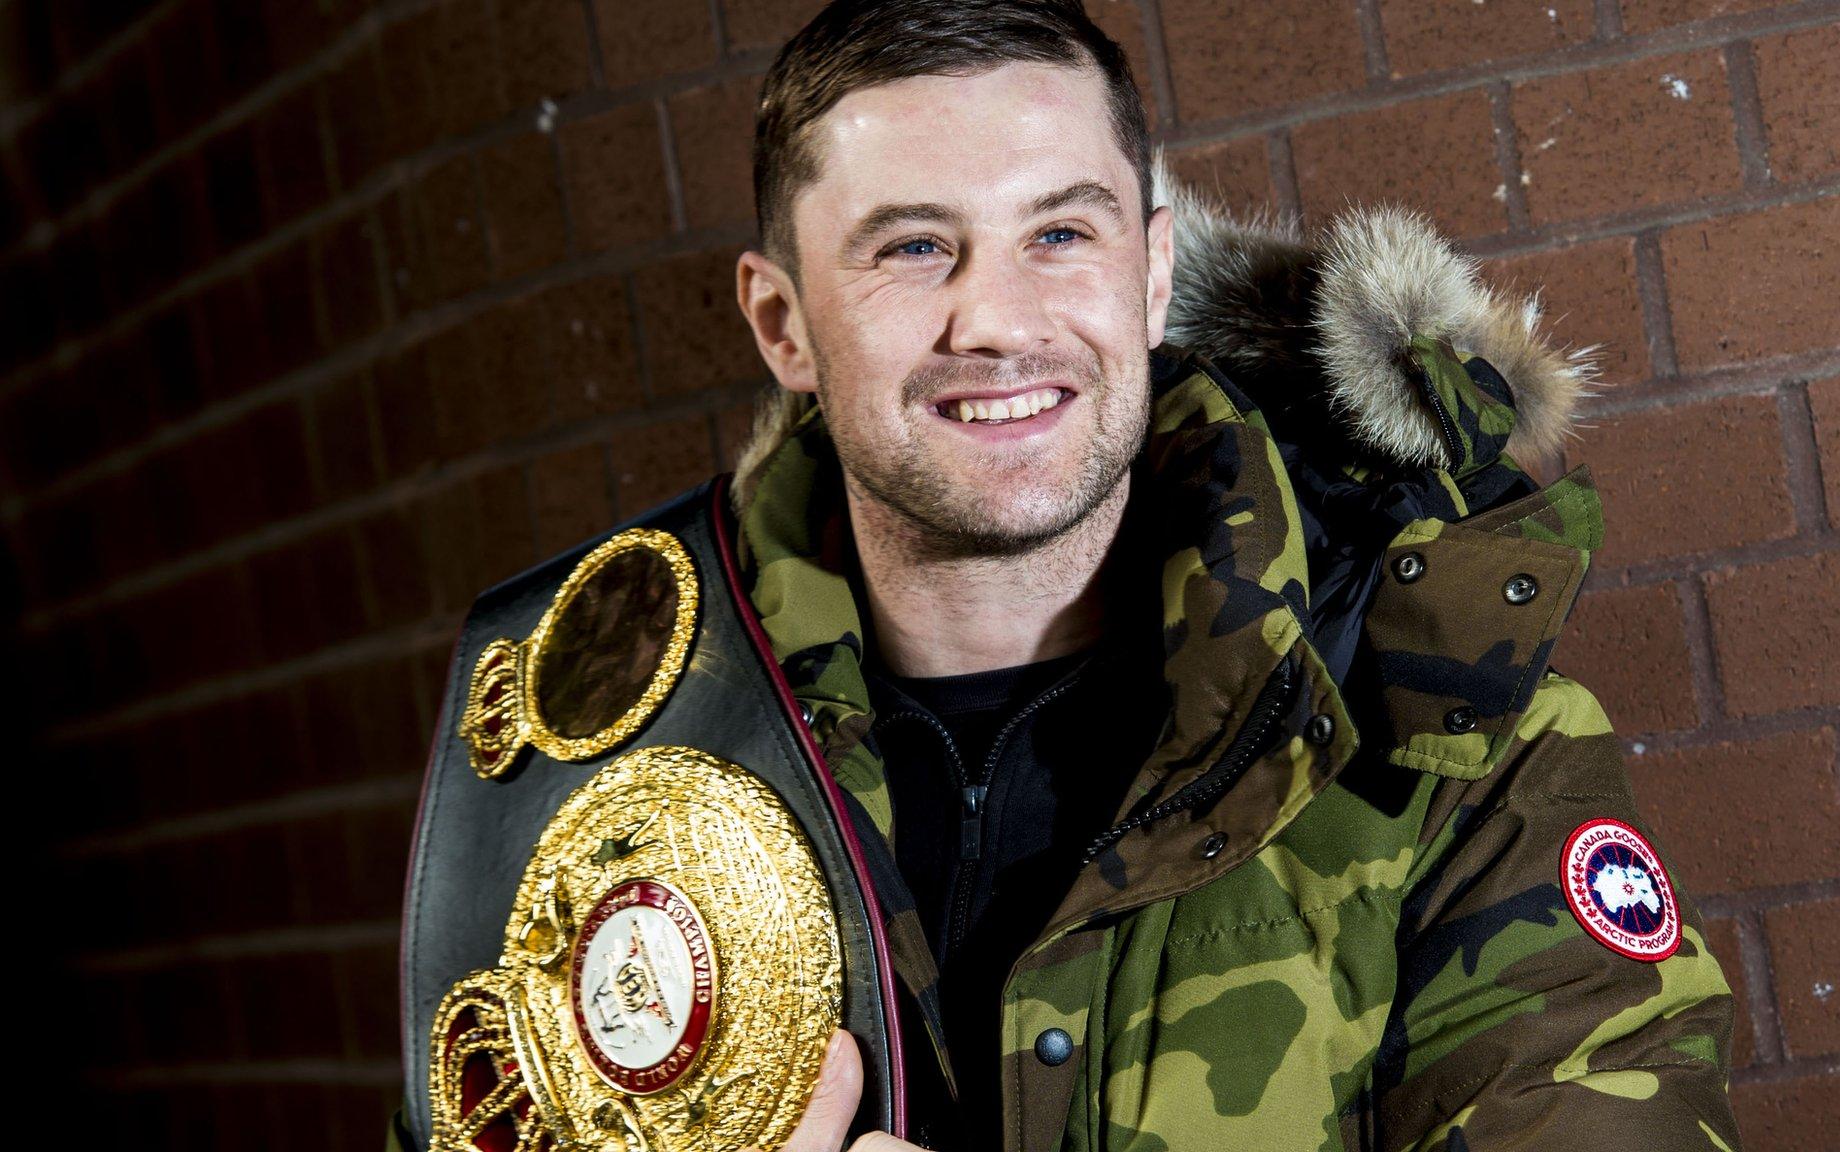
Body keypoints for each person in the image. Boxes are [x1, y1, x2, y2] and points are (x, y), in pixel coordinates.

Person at [397, 2, 1742, 1150]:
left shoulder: (1428, 739)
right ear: (783, 322)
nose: (998, 319)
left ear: (1152, 274)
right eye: (914, 246)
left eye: (1061, 235)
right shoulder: (603, 761)